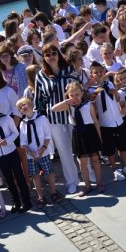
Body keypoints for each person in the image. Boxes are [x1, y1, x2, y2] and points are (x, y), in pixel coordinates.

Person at [33, 43, 82, 194]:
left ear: (58, 54)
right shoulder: (41, 75)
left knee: (79, 148)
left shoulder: (68, 69)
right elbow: (39, 99)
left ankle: (89, 175)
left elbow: (78, 89)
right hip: (53, 118)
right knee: (65, 152)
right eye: (47, 54)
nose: (51, 56)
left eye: (54, 53)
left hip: (72, 114)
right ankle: (72, 181)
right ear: (43, 58)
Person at [52, 82, 104, 196]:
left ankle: (99, 183)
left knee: (95, 159)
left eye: (77, 94)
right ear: (68, 96)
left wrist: (99, 137)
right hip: (78, 134)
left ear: (81, 93)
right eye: (71, 95)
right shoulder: (69, 106)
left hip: (90, 132)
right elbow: (53, 109)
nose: (75, 97)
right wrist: (66, 101)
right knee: (82, 162)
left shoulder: (88, 104)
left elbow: (95, 121)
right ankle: (87, 185)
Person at [0, 96, 31, 212]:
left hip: (11, 152)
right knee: (8, 180)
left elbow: (15, 133)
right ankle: (16, 202)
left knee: (19, 176)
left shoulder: (7, 119)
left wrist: (7, 141)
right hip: (0, 156)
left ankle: (26, 201)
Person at [88, 62, 126, 180]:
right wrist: (93, 99)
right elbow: (93, 110)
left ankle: (125, 166)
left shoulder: (109, 84)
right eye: (96, 72)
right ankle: (115, 169)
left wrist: (116, 94)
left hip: (118, 119)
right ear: (92, 75)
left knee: (123, 146)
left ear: (104, 72)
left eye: (100, 71)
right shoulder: (91, 90)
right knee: (110, 149)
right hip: (105, 123)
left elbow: (118, 99)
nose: (99, 74)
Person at [17, 98, 61, 206]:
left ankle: (53, 192)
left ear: (31, 105)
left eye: (24, 104)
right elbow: (23, 142)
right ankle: (40, 196)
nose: (23, 107)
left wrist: (43, 149)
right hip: (31, 155)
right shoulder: (22, 124)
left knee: (49, 172)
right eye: (20, 107)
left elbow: (47, 135)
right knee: (35, 175)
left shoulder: (42, 118)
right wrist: (30, 152)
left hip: (44, 152)